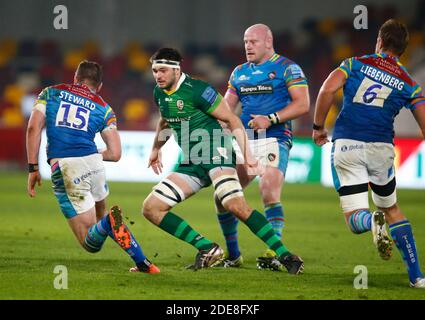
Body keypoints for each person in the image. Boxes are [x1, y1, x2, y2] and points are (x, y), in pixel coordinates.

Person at [142, 47, 304, 273]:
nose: (157, 76)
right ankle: (208, 248)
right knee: (151, 208)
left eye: (162, 71)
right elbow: (165, 120)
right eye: (154, 71)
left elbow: (232, 119)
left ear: (176, 70)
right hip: (193, 160)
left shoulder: (198, 90)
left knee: (234, 205)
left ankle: (286, 255)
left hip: (217, 152)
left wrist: (248, 157)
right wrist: (155, 149)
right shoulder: (159, 93)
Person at [312, 19, 425, 288]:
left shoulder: (354, 64)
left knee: (355, 219)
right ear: (403, 49)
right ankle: (417, 277)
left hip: (348, 144)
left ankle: (371, 219)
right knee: (392, 209)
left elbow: (327, 88)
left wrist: (318, 128)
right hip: (382, 149)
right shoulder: (410, 83)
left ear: (380, 41)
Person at [26, 60, 159, 274]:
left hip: (66, 167)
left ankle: (108, 223)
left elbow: (33, 127)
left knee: (90, 243)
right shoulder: (104, 108)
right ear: (99, 86)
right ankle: (144, 263)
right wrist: (91, 155)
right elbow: (115, 154)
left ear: (75, 78)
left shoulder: (51, 93)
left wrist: (33, 168)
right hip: (94, 164)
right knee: (99, 222)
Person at [216, 24, 310, 268]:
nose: (247, 45)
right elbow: (226, 109)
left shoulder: (288, 68)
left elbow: (302, 104)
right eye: (245, 41)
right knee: (223, 196)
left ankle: (274, 253)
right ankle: (234, 254)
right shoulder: (239, 72)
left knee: (268, 188)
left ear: (268, 41)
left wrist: (271, 119)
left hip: (275, 137)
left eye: (253, 41)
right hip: (246, 140)